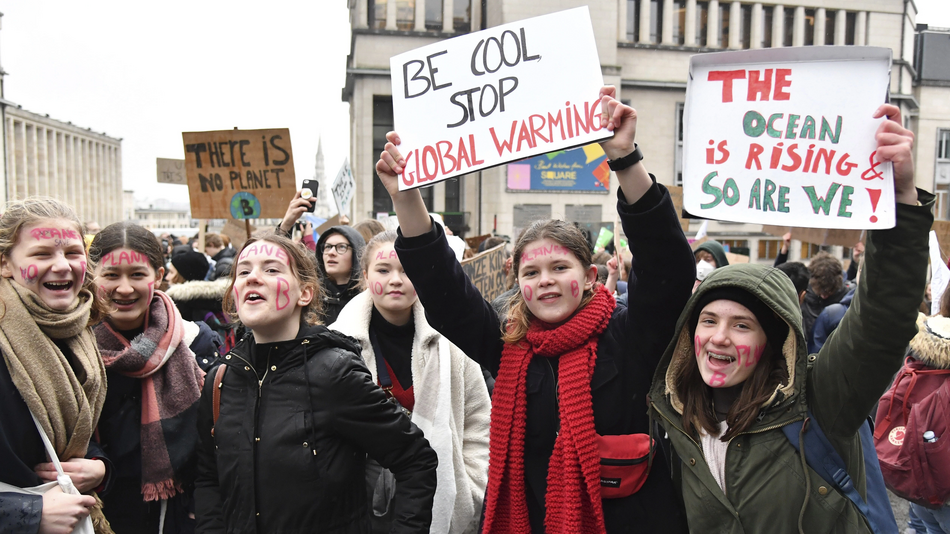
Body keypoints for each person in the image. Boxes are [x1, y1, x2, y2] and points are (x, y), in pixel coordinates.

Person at [376, 86, 694, 533]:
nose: (544, 280)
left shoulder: (631, 333)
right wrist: (405, 196)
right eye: (531, 272)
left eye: (559, 266)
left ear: (588, 276)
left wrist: (624, 159)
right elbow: (443, 291)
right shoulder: (506, 342)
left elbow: (668, 269)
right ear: (516, 281)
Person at [648, 103, 930, 532]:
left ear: (774, 338)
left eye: (741, 325)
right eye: (708, 321)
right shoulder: (674, 414)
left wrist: (901, 202)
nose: (719, 337)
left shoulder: (820, 399)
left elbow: (882, 320)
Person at [194, 234, 438, 533]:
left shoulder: (335, 372)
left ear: (305, 293)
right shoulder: (220, 380)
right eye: (243, 271)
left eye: (271, 269)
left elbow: (415, 460)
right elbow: (208, 478)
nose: (253, 278)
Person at [330, 230, 491, 534]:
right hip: (357, 507)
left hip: (441, 501)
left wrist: (471, 492)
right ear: (365, 276)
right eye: (383, 270)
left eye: (407, 270)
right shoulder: (335, 345)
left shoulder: (455, 340)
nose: (395, 279)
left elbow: (480, 419)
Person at [89, 222, 217, 533]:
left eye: (137, 274)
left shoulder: (196, 341)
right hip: (97, 508)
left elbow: (214, 443)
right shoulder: (71, 348)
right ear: (91, 276)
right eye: (110, 275)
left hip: (175, 512)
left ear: (158, 276)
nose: (124, 288)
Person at [0, 198, 112, 533]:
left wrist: (99, 467)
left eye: (72, 253)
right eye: (42, 254)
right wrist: (28, 514)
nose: (62, 265)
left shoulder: (80, 333)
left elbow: (70, 429)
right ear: (5, 263)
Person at [166, 247, 233, 351]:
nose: (167, 277)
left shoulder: (178, 306)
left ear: (182, 276)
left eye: (171, 272)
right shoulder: (216, 300)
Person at [802, 251, 854, 341]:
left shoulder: (846, 299)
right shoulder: (803, 296)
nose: (824, 296)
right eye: (820, 293)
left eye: (829, 292)